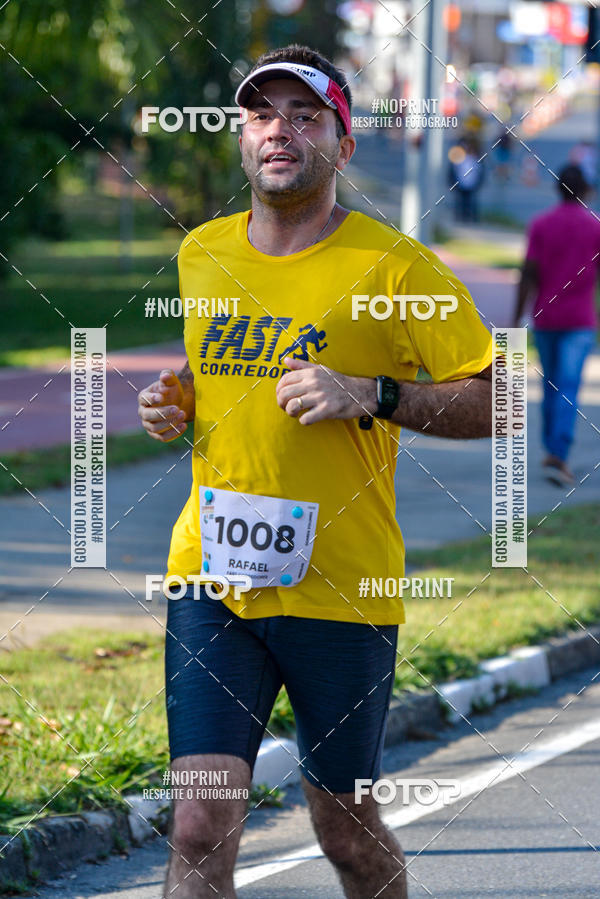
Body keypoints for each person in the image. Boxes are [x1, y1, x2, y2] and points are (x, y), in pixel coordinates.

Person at [138, 44, 493, 899]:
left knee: (344, 828)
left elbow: (501, 403)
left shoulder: (397, 268)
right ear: (241, 136)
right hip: (212, 578)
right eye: (262, 113)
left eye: (305, 115)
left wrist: (372, 392)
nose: (280, 131)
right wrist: (176, 405)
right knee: (198, 821)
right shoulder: (204, 254)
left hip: (343, 589)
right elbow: (222, 382)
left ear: (344, 141)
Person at [514, 164, 598, 487]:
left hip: (545, 317)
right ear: (587, 190)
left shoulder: (541, 225)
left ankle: (552, 449)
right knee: (569, 385)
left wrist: (515, 316)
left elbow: (528, 273)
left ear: (557, 189)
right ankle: (558, 454)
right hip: (580, 320)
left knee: (550, 384)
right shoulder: (594, 227)